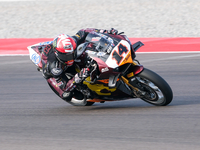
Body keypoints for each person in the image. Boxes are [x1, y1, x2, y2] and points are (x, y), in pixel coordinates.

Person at [42, 28, 119, 101]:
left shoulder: (74, 41)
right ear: (58, 54)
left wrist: (106, 32)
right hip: (54, 73)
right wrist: (79, 75)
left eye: (72, 54)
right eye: (66, 56)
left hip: (64, 52)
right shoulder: (54, 67)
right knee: (67, 95)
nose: (70, 58)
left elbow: (85, 31)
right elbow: (64, 87)